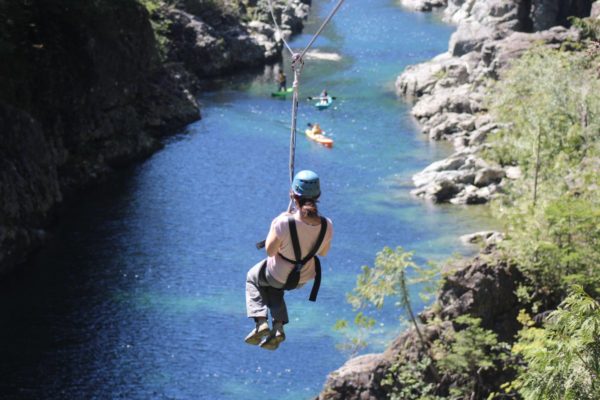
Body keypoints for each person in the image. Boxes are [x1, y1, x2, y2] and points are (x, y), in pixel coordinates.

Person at [245, 170, 334, 350]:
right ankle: (278, 328)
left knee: (253, 277)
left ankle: (261, 321)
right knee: (274, 286)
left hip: (278, 274)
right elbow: (323, 253)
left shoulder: (283, 223)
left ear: (293, 195)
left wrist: (276, 223)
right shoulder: (327, 225)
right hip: (302, 278)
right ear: (318, 196)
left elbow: (270, 251)